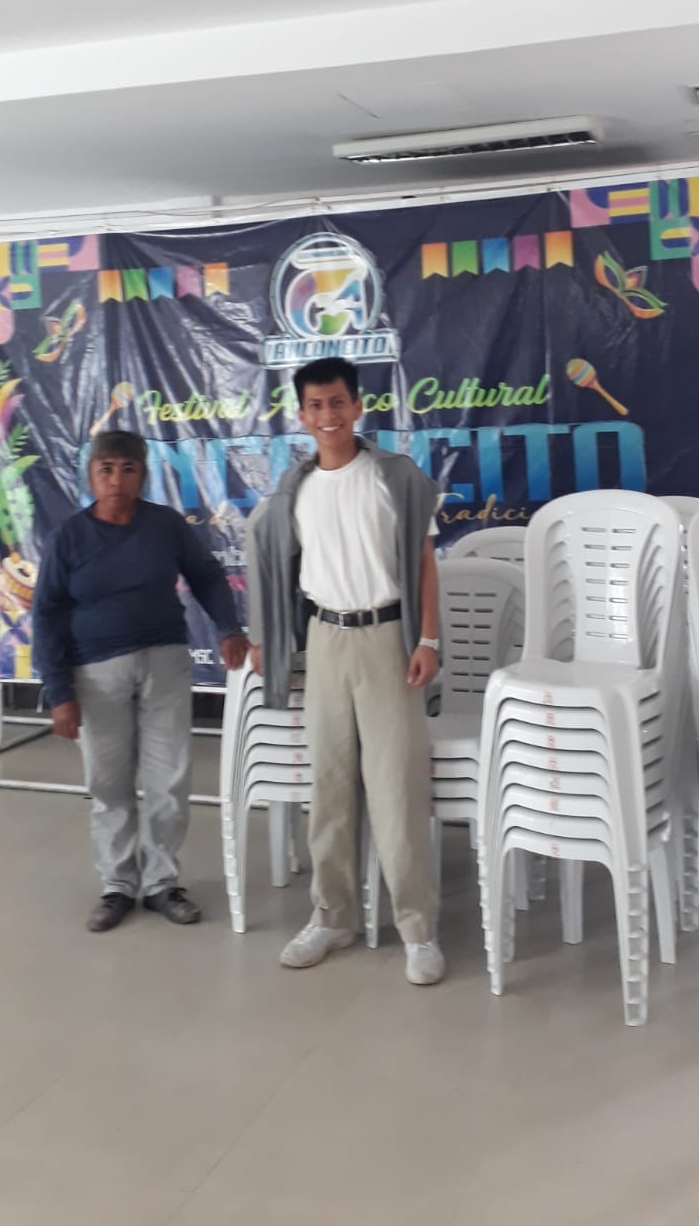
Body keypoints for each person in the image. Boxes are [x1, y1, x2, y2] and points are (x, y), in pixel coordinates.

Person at [247, 357, 445, 985]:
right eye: (315, 405)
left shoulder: (396, 477)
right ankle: (332, 917)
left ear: (358, 406)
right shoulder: (294, 488)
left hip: (388, 639)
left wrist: (428, 638)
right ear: (301, 415)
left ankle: (417, 929)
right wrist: (268, 637)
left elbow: (424, 563)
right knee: (329, 786)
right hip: (324, 640)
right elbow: (272, 567)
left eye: (337, 402)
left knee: (396, 789)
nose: (327, 415)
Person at [32, 429, 249, 933]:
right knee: (108, 783)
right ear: (90, 475)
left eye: (128, 469)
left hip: (164, 662)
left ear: (142, 475)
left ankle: (161, 883)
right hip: (95, 674)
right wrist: (59, 692)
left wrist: (228, 628)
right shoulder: (69, 537)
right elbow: (47, 615)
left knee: (168, 778)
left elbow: (206, 574)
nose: (116, 480)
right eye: (106, 469)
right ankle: (117, 885)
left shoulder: (164, 525)